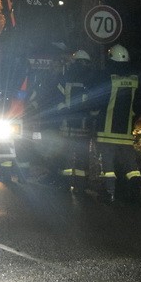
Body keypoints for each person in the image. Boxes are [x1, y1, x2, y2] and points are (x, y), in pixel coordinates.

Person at [90, 43, 141, 202]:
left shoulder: (108, 79)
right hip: (125, 132)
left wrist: (93, 115)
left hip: (106, 132)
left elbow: (98, 102)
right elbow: (139, 105)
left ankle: (108, 193)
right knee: (130, 165)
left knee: (107, 166)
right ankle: (134, 189)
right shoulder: (134, 80)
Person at [54, 49, 96, 192]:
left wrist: (63, 113)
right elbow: (94, 103)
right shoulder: (91, 79)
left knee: (65, 155)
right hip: (84, 126)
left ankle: (64, 184)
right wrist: (92, 118)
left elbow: (57, 100)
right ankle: (81, 186)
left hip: (66, 125)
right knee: (82, 158)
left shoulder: (65, 77)